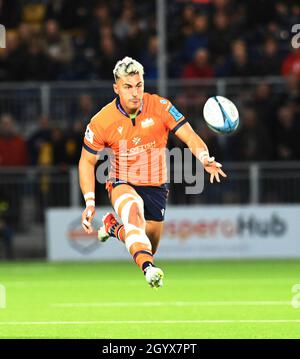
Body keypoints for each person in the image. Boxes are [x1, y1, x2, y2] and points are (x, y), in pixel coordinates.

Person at [78, 56, 226, 289]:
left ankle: (112, 227)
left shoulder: (161, 106)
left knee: (148, 245)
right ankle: (149, 270)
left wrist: (204, 157)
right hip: (121, 181)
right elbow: (87, 161)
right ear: (116, 88)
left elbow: (189, 135)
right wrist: (89, 201)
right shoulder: (101, 121)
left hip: (157, 185)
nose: (135, 93)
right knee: (134, 217)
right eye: (128, 87)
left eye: (139, 85)